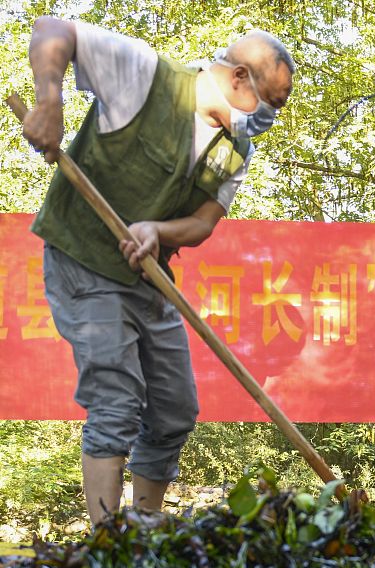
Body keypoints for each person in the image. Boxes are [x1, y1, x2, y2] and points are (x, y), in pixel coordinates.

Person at [20, 16, 294, 526]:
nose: (267, 119)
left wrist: (157, 230)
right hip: (85, 261)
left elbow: (203, 222)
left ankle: (144, 530)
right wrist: (49, 102)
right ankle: (107, 543)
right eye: (269, 103)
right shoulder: (145, 75)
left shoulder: (238, 148)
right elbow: (53, 30)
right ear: (238, 77)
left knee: (174, 410)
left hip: (148, 278)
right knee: (116, 401)